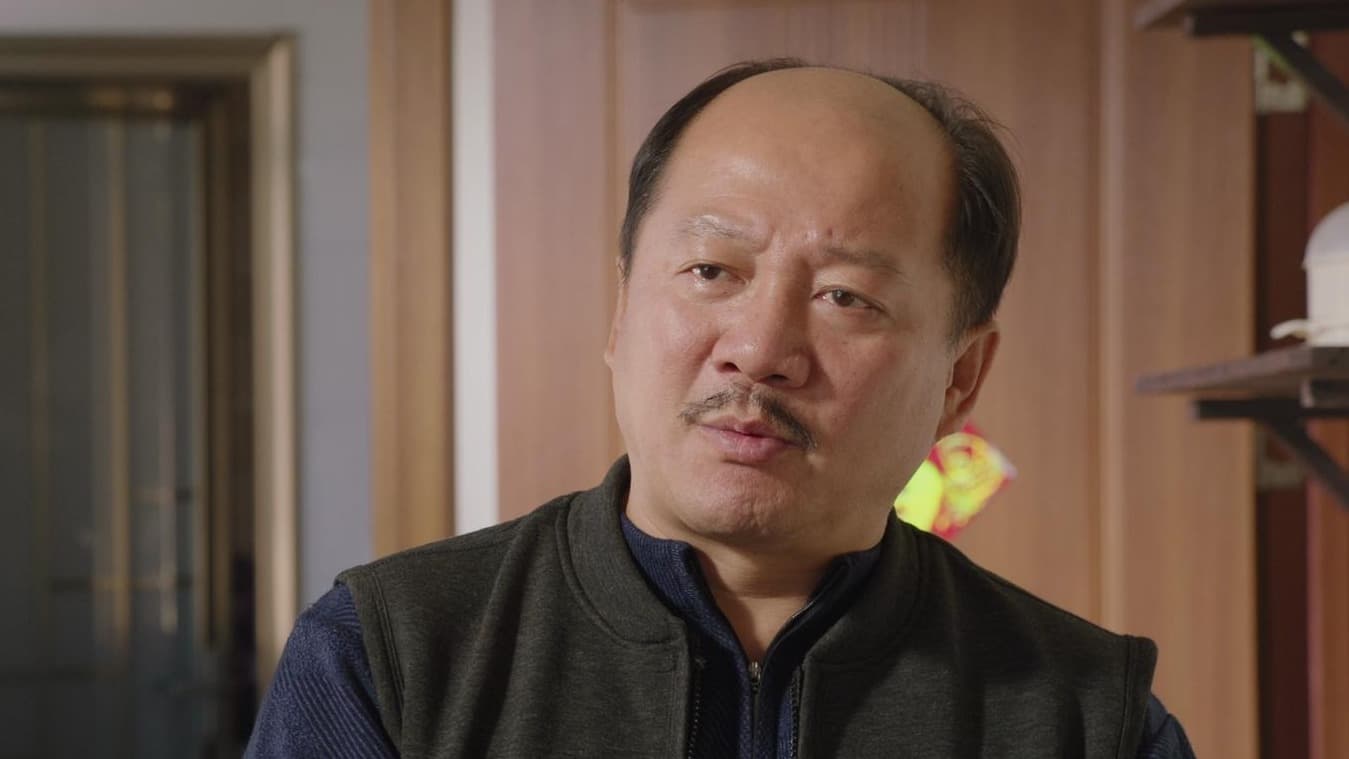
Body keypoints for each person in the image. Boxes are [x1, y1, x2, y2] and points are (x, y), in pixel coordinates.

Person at [246, 59, 1195, 758]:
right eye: (711, 270)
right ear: (622, 309)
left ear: (960, 378)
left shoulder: (1086, 715)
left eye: (845, 296)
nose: (759, 347)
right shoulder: (390, 655)